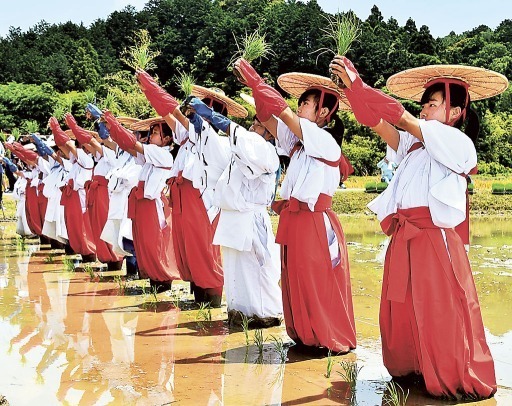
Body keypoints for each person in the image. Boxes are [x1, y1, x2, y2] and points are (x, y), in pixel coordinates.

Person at [329, 56, 508, 399]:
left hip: (433, 238)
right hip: (404, 235)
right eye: (424, 103)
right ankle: (412, 370)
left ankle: (450, 376)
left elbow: (402, 117)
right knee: (402, 308)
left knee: (439, 309)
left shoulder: (459, 144)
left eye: (433, 103)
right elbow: (377, 122)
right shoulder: (413, 146)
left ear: (455, 113)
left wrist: (360, 86)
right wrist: (353, 95)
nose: (424, 108)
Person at [233, 59, 356, 353]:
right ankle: (304, 334)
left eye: (306, 104)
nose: (299, 108)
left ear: (324, 112)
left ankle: (327, 338)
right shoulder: (300, 145)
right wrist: (257, 90)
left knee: (317, 280)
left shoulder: (325, 142)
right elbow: (272, 119)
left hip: (315, 221)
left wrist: (256, 82)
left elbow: (285, 116)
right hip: (296, 219)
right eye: (299, 103)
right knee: (296, 278)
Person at [135, 71, 235, 306]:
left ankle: (212, 301)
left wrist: (154, 89)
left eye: (201, 111)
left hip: (202, 204)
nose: (192, 117)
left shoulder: (217, 141)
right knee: (188, 252)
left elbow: (177, 115)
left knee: (204, 251)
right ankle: (198, 297)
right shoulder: (190, 140)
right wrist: (150, 91)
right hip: (183, 202)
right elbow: (170, 114)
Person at [190, 98, 283, 327]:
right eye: (253, 123)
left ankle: (265, 316)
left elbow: (243, 139)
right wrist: (200, 125)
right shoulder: (241, 150)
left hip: (252, 219)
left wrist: (213, 116)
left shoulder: (267, 151)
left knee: (256, 271)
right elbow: (217, 152)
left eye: (258, 125)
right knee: (236, 272)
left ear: (271, 133)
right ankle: (239, 315)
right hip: (234, 219)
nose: (252, 127)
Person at [104, 111, 179, 292]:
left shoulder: (163, 154)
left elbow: (132, 144)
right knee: (143, 242)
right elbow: (129, 147)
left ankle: (162, 281)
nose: (150, 136)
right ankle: (154, 280)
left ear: (167, 138)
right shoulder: (153, 154)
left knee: (154, 243)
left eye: (155, 133)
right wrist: (111, 130)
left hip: (153, 204)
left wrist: (114, 125)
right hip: (143, 204)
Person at [65, 113, 125, 271]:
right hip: (97, 194)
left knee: (106, 225)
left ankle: (115, 259)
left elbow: (93, 141)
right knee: (97, 225)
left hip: (105, 194)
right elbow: (90, 143)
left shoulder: (114, 152)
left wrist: (89, 123)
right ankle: (106, 257)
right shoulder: (101, 156)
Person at [49, 117, 97, 263]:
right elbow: (64, 147)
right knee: (73, 227)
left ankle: (89, 254)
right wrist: (55, 132)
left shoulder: (87, 160)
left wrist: (60, 128)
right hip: (72, 197)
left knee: (82, 226)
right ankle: (83, 254)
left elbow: (68, 144)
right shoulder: (76, 161)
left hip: (80, 196)